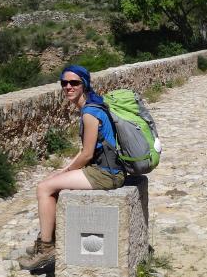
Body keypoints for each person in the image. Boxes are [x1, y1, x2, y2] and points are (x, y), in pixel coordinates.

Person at [18, 65, 126, 270]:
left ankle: (47, 248)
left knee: (44, 188)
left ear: (84, 84)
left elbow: (86, 154)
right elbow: (87, 148)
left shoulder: (89, 113)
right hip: (106, 169)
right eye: (64, 83)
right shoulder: (94, 105)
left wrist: (66, 172)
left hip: (106, 174)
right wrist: (64, 170)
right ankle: (48, 239)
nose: (68, 87)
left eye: (74, 83)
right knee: (52, 181)